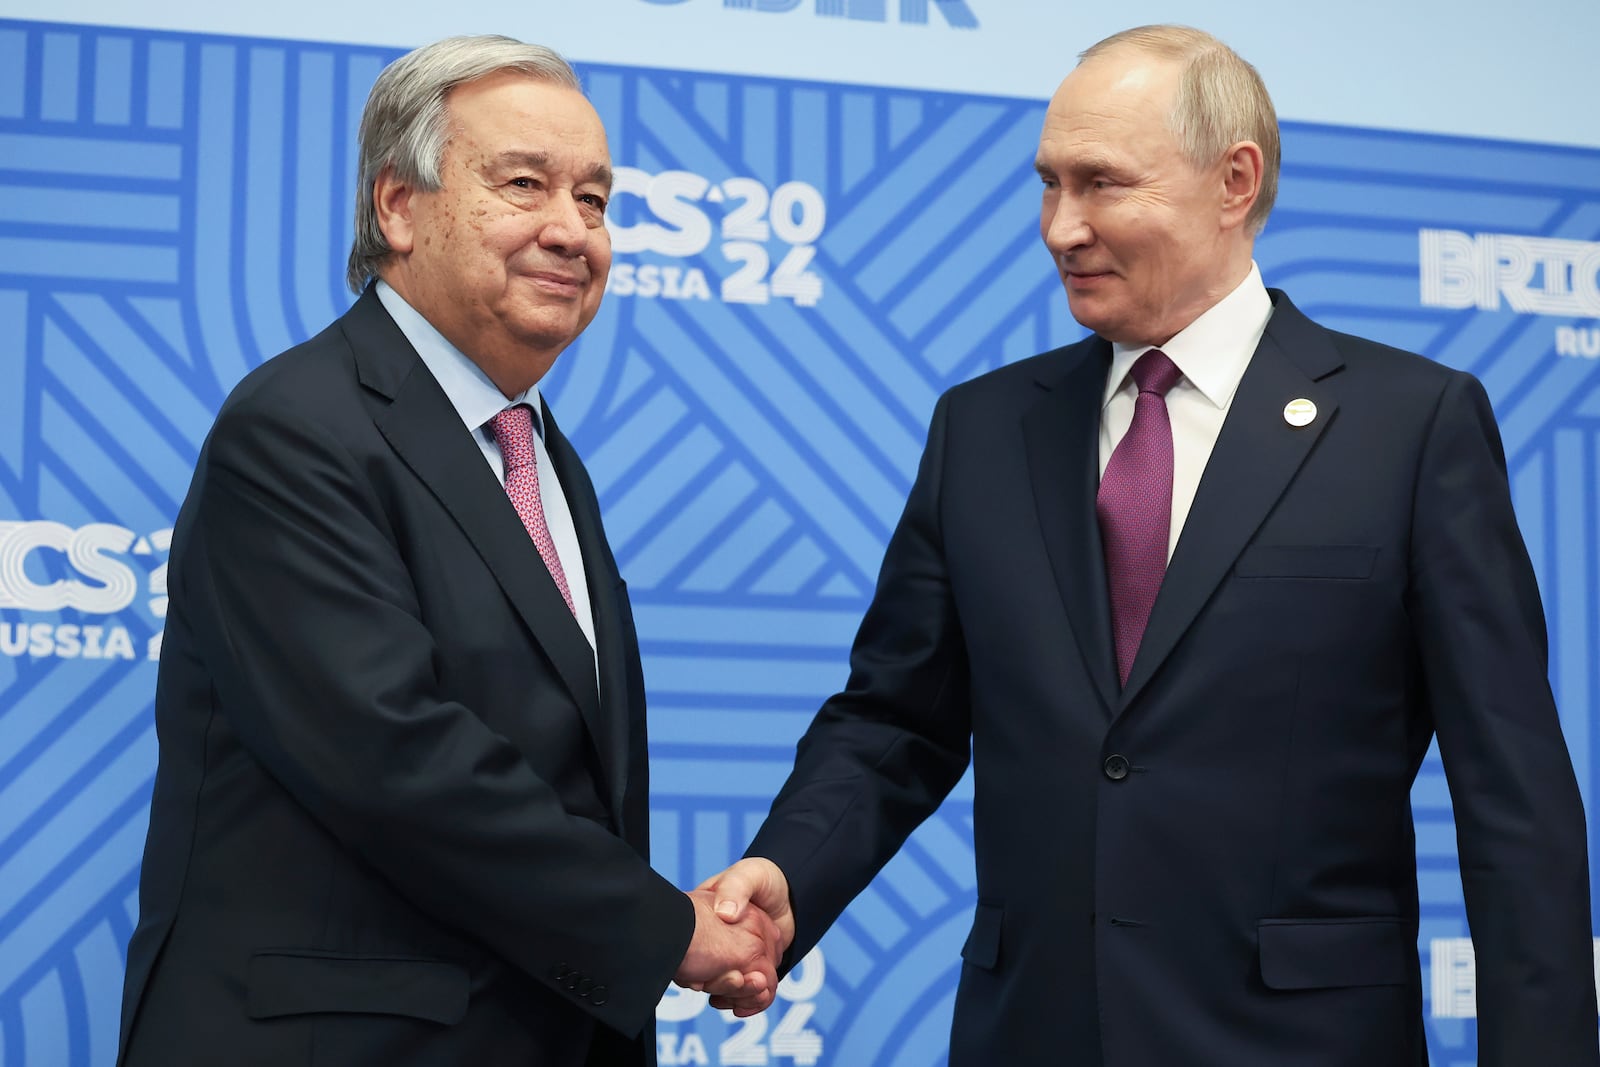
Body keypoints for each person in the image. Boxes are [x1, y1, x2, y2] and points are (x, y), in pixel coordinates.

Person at [701, 24, 1599, 1067]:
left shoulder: (1412, 425)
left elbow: (1512, 791)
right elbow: (899, 717)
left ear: (1233, 181)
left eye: (1101, 184)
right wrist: (788, 872)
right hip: (1030, 1033)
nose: (1059, 226)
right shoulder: (983, 429)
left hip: (1302, 1040)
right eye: (1047, 184)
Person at [117, 35, 778, 1067]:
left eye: (596, 200)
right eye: (524, 185)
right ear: (397, 206)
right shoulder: (296, 429)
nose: (571, 230)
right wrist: (666, 928)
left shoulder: (539, 453)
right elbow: (395, 756)